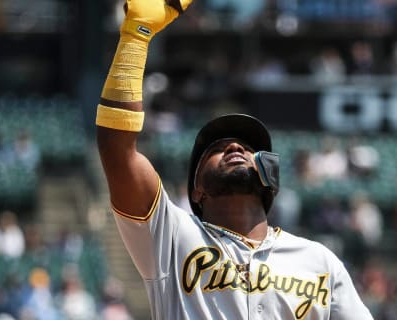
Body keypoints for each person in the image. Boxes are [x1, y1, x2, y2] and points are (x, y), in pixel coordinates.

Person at [95, 0, 372, 318]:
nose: (235, 148)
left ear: (270, 178)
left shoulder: (319, 261)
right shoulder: (172, 238)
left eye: (245, 146)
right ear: (196, 190)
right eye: (217, 149)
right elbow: (117, 152)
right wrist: (135, 37)